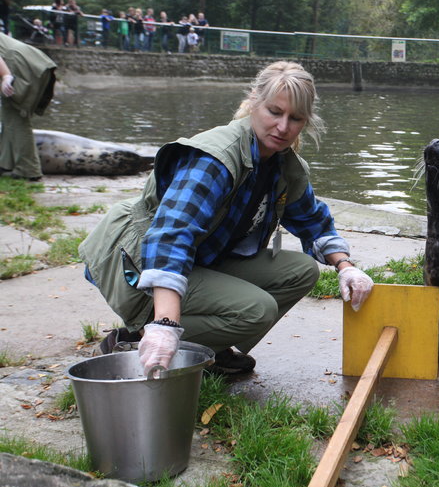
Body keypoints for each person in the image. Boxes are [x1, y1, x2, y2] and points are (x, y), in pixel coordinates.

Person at [79, 60, 374, 376]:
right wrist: (165, 323)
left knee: (301, 270)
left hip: (202, 257)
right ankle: (137, 340)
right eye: (275, 112)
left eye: (295, 118)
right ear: (254, 102)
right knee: (256, 310)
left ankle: (212, 348)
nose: (283, 127)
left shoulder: (283, 164)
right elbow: (171, 236)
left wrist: (346, 267)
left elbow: (311, 219)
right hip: (139, 261)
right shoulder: (216, 159)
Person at [0, 33, 58, 181]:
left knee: (16, 116)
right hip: (27, 58)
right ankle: (5, 163)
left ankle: (28, 169)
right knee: (9, 115)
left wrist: (6, 75)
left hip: (15, 62)